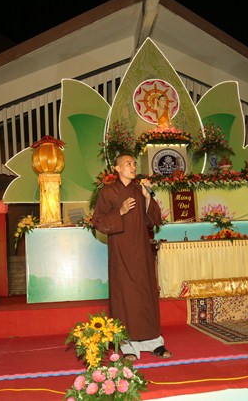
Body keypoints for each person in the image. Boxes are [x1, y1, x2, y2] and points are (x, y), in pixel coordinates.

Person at [92, 151, 172, 360]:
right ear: (117, 169)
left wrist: (147, 197)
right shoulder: (108, 192)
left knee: (146, 294)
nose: (133, 166)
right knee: (125, 297)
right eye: (128, 163)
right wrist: (119, 212)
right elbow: (98, 221)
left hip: (142, 251)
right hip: (121, 252)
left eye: (134, 163)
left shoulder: (139, 190)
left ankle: (155, 342)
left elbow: (154, 220)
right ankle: (128, 346)